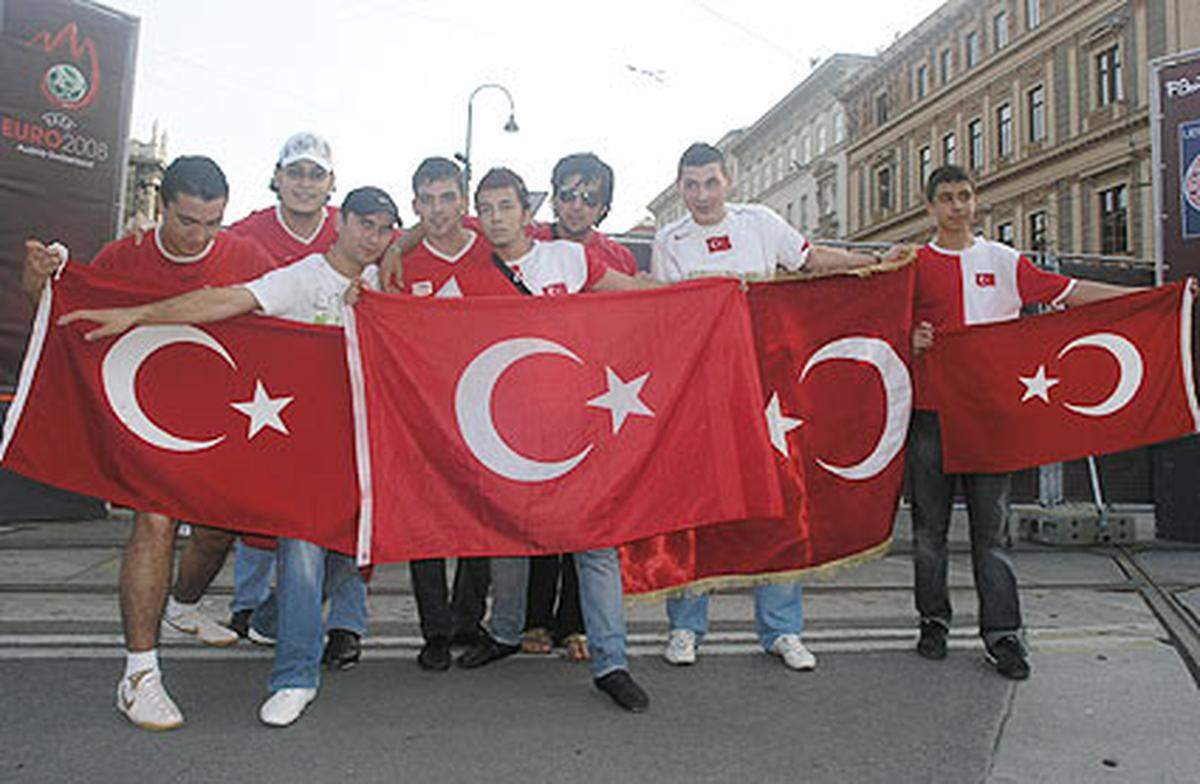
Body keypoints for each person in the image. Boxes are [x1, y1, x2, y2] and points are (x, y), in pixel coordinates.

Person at [61, 186, 400, 727]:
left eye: (385, 229)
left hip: (360, 454)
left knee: (353, 555)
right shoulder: (303, 276)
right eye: (365, 224)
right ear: (341, 223)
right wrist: (140, 317)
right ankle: (295, 677)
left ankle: (270, 617)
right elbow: (226, 299)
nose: (373, 238)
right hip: (300, 454)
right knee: (304, 553)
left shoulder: (387, 281)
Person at [24, 156, 277, 731]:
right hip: (145, 423)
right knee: (156, 523)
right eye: (189, 220)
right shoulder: (123, 256)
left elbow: (292, 309)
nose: (202, 236)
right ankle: (139, 675)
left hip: (220, 419)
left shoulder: (244, 255)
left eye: (214, 222)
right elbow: (57, 310)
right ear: (162, 205)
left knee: (216, 530)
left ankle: (181, 607)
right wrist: (38, 277)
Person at [651, 141, 908, 672]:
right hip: (705, 389)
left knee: (780, 496)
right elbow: (666, 317)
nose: (701, 195)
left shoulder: (761, 222)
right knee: (699, 504)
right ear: (680, 187)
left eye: (710, 183)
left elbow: (811, 260)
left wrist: (874, 264)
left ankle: (782, 629)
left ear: (730, 182)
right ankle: (685, 626)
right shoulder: (668, 239)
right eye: (691, 185)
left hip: (769, 385)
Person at [908, 165, 1138, 679]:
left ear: (976, 201)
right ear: (930, 208)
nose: (957, 206)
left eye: (965, 196)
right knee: (930, 532)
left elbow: (1068, 289)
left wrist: (1144, 299)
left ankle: (1004, 635)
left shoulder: (1003, 260)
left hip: (991, 420)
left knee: (993, 535)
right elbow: (883, 328)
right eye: (946, 198)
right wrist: (910, 339)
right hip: (932, 416)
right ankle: (933, 622)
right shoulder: (914, 265)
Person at [450, 167, 656, 713]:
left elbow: (634, 294)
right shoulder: (467, 275)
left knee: (596, 544)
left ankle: (613, 663)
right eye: (486, 208)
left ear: (526, 211)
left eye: (506, 207)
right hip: (504, 431)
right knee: (507, 539)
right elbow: (426, 333)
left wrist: (709, 287)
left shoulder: (567, 258)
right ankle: (505, 632)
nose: (496, 218)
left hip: (579, 425)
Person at [224, 132, 368, 671]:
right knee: (260, 502)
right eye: (296, 172)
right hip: (267, 393)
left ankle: (347, 625)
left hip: (340, 403)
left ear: (332, 184)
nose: (306, 183)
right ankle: (251, 607)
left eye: (316, 174)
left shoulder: (352, 229)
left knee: (347, 518)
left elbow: (405, 243)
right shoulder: (247, 233)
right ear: (278, 176)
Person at [522, 153, 638, 661]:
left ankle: (576, 623)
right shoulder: (528, 243)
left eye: (588, 197)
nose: (575, 206)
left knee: (587, 518)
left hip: (598, 399)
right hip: (536, 396)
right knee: (539, 513)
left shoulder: (618, 257)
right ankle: (534, 619)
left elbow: (639, 318)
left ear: (605, 206)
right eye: (566, 194)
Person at [398, 156, 499, 670]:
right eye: (427, 200)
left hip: (484, 414)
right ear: (415, 205)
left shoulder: (492, 248)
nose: (438, 210)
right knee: (426, 524)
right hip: (423, 415)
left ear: (464, 201)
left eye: (447, 198)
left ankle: (468, 621)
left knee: (478, 523)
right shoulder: (399, 263)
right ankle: (434, 630)